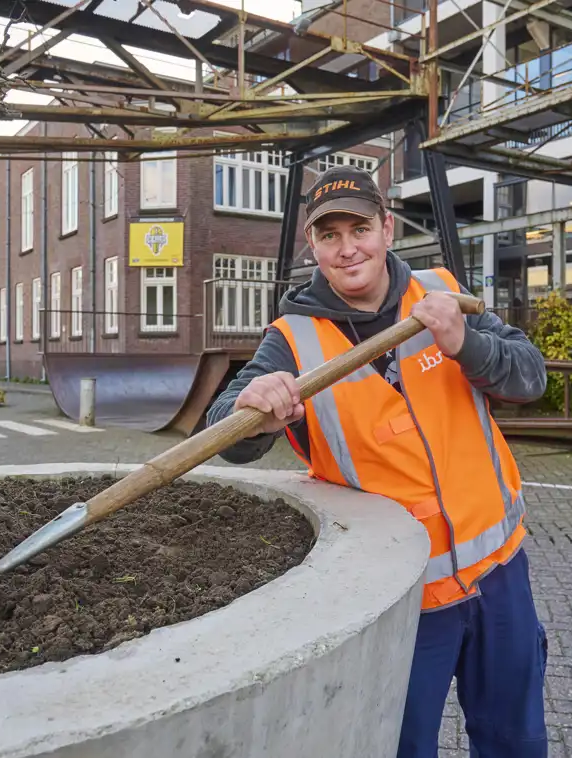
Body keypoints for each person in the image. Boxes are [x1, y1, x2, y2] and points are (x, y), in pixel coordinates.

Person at [205, 165, 550, 758]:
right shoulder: (292, 338)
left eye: (359, 228)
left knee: (514, 740)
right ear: (312, 244)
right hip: (400, 600)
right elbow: (224, 426)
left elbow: (530, 376)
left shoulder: (440, 293)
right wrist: (255, 408)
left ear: (387, 229)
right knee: (398, 745)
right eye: (329, 235)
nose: (347, 248)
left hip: (499, 577)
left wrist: (466, 343)